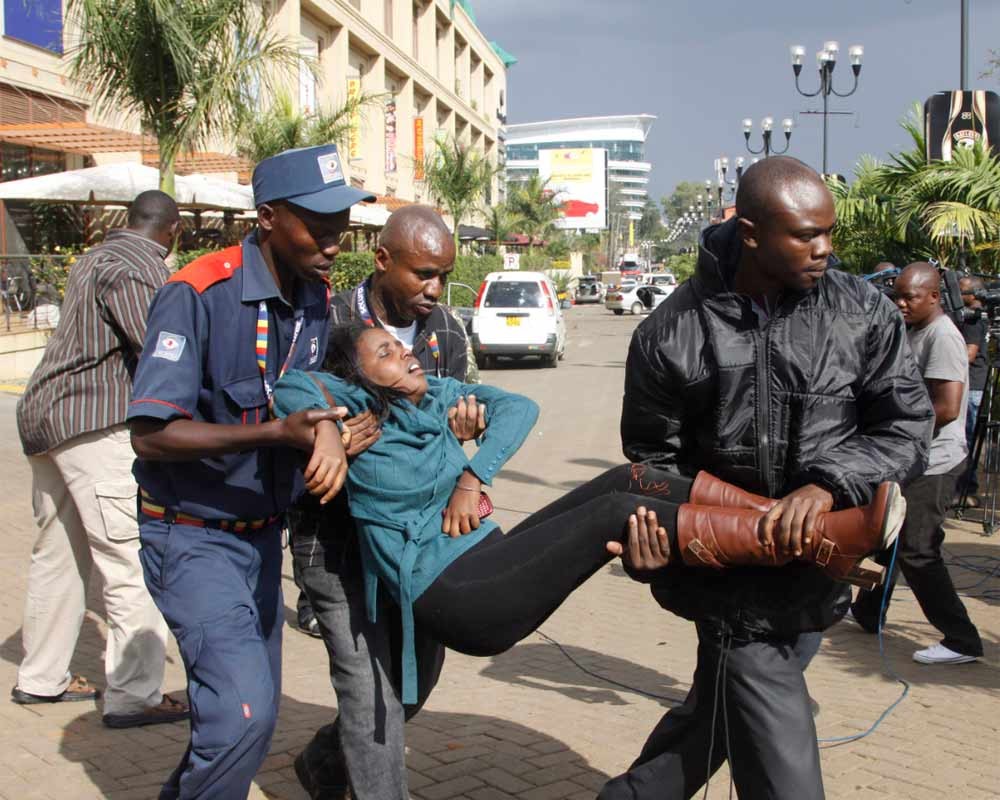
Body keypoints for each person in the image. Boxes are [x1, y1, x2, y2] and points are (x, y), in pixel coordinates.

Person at [274, 325, 906, 702]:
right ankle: (811, 539)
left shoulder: (439, 395)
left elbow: (520, 409)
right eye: (383, 354)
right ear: (356, 379)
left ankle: (813, 530)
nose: (404, 356)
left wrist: (474, 473)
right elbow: (292, 387)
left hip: (485, 557)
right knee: (614, 513)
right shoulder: (357, 418)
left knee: (629, 477)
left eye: (399, 346)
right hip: (451, 595)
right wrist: (327, 432)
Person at [601, 157, 935, 800]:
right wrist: (655, 547)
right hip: (726, 578)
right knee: (778, 757)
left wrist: (830, 485)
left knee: (716, 719)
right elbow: (653, 467)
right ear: (751, 233)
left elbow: (905, 425)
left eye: (827, 231)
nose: (825, 248)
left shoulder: (861, 311)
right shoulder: (670, 332)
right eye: (806, 234)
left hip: (820, 564)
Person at [126, 144, 373, 800]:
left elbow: (303, 390)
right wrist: (274, 432)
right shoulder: (197, 292)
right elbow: (150, 434)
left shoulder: (316, 298)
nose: (334, 236)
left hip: (263, 540)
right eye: (316, 222)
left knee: (246, 726)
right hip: (193, 536)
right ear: (267, 217)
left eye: (340, 219)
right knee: (242, 716)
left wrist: (334, 429)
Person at [288, 205, 479, 800]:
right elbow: (284, 406)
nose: (435, 289)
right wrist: (328, 437)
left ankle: (325, 758)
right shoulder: (323, 318)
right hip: (337, 546)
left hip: (418, 544)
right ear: (381, 260)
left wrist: (466, 438)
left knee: (414, 682)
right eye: (423, 273)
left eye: (443, 275)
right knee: (372, 693)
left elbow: (459, 407)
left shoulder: (445, 329)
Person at [12, 190, 190, 730]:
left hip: (48, 417)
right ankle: (135, 695)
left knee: (61, 554)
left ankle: (40, 679)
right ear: (173, 232)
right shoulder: (139, 267)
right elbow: (156, 346)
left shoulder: (93, 257)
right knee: (129, 557)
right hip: (93, 422)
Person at [850, 263, 984, 665]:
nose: (901, 303)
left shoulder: (943, 338)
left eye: (910, 297)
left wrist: (895, 423)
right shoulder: (913, 330)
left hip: (936, 463)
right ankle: (868, 611)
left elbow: (946, 407)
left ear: (934, 297)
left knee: (918, 550)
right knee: (885, 536)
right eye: (898, 296)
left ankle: (962, 639)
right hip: (910, 457)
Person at [958, 274, 987, 503]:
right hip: (973, 385)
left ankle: (967, 489)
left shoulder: (973, 320)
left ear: (974, 295)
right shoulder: (973, 317)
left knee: (966, 439)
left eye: (962, 291)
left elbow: (970, 354)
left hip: (973, 385)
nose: (957, 295)